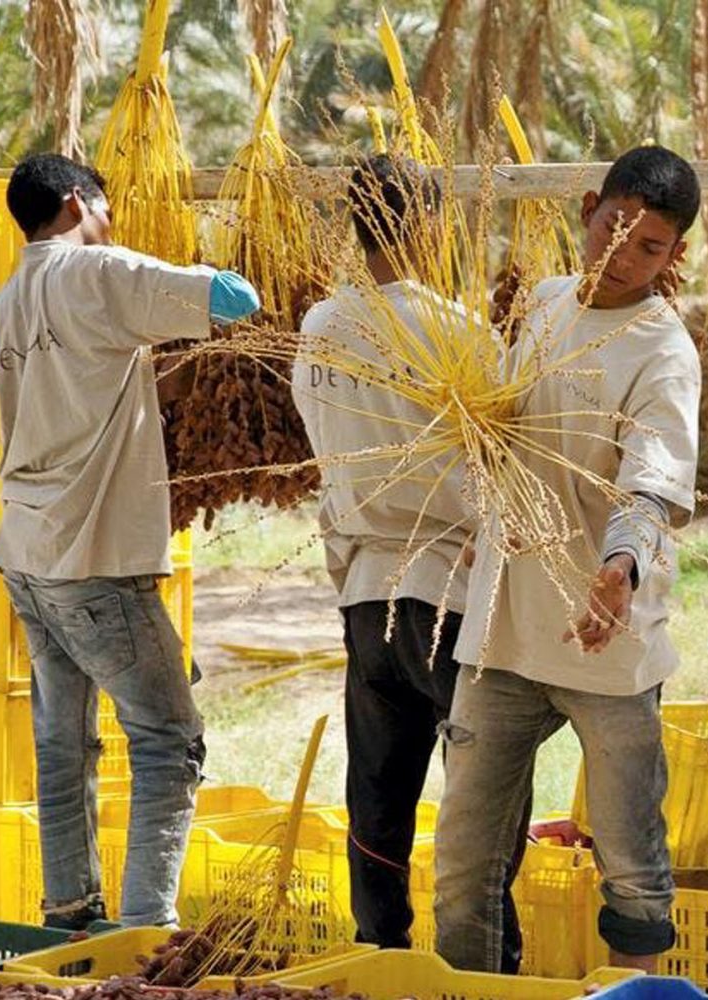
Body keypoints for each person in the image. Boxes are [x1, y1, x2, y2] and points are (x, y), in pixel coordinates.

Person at [434, 144, 702, 973]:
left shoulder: (664, 351)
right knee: (462, 860)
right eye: (615, 229)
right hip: (503, 629)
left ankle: (640, 992)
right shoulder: (544, 304)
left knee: (630, 859)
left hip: (606, 637)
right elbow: (503, 426)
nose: (624, 255)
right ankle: (471, 990)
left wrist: (617, 572)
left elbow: (651, 486)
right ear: (588, 208)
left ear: (676, 256)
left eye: (650, 247)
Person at [0, 152, 260, 929]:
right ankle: (144, 940)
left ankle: (68, 912)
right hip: (94, 561)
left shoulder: (4, 306)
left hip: (28, 558)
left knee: (63, 744)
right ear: (77, 201)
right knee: (170, 740)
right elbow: (236, 298)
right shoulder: (97, 271)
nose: (111, 222)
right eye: (104, 207)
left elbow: (81, 391)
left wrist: (160, 375)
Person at [292, 153, 525, 960]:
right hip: (450, 594)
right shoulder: (459, 333)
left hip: (365, 590)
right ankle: (487, 964)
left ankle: (379, 953)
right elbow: (505, 470)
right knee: (484, 802)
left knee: (378, 800)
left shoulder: (320, 328)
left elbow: (325, 459)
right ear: (429, 227)